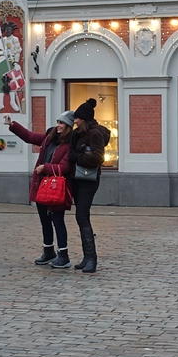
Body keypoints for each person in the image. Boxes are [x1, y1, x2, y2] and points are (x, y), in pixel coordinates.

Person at [6, 116, 75, 268]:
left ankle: (64, 255)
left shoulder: (69, 145)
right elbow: (29, 136)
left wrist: (45, 167)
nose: (58, 125)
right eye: (58, 122)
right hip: (42, 186)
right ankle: (48, 251)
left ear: (69, 126)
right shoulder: (49, 138)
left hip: (57, 188)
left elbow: (65, 168)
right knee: (45, 221)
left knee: (58, 221)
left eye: (62, 123)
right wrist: (13, 125)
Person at [66, 98, 110, 275]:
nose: (74, 121)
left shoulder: (95, 134)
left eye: (77, 118)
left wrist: (78, 156)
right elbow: (71, 152)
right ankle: (86, 257)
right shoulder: (78, 133)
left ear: (84, 119)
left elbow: (97, 158)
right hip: (77, 178)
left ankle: (92, 258)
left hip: (88, 180)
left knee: (82, 216)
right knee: (80, 217)